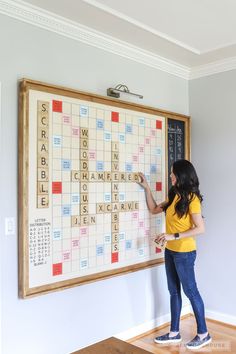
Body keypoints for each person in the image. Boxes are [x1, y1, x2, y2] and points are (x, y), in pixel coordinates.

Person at [138, 159, 212, 350]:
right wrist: (146, 187)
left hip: (185, 253)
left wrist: (173, 235)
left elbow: (200, 228)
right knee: (174, 291)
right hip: (171, 251)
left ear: (182, 175)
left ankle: (204, 334)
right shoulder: (174, 195)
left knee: (191, 292)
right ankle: (174, 332)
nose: (170, 176)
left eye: (173, 173)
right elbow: (154, 209)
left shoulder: (192, 199)